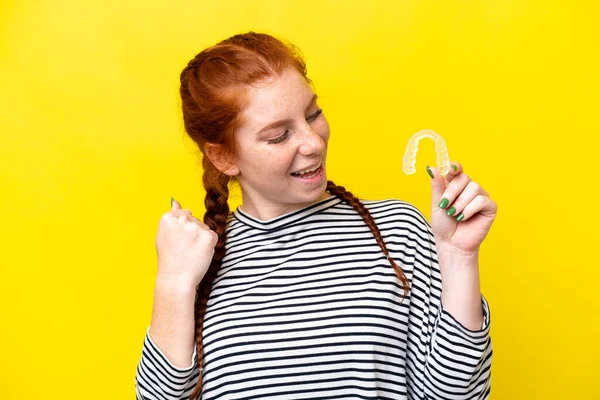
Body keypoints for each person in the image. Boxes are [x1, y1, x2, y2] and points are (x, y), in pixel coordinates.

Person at [135, 32, 497, 400]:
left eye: (313, 114)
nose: (314, 142)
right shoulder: (198, 260)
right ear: (222, 157)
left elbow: (455, 395)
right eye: (278, 135)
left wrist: (458, 257)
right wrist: (173, 282)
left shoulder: (397, 231)